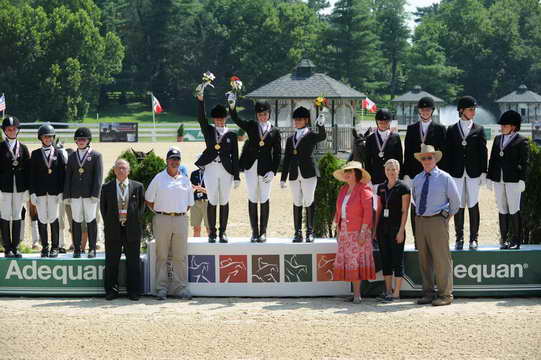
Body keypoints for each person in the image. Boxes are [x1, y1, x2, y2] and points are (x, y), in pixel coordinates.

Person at [412, 144, 460, 306]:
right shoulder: (417, 179)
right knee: (424, 260)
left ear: (435, 159)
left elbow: (456, 202)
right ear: (421, 161)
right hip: (420, 221)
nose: (426, 160)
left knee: (441, 259)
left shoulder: (445, 178)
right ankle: (428, 293)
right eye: (424, 158)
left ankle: (445, 295)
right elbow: (415, 200)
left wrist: (445, 218)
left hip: (437, 221)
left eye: (429, 157)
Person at [228, 98, 281, 243]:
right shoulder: (251, 126)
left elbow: (277, 153)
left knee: (264, 197)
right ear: (256, 115)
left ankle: (263, 232)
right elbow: (236, 119)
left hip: (266, 169)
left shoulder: (275, 131)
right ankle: (254, 232)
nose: (262, 117)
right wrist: (232, 106)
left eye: (264, 114)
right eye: (259, 115)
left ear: (269, 114)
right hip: (251, 166)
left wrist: (273, 171)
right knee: (252, 196)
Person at [145, 148, 194, 301]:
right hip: (162, 219)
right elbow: (149, 200)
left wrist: (177, 212)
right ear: (167, 160)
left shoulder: (185, 180)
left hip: (180, 219)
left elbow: (189, 203)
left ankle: (181, 288)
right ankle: (161, 289)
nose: (175, 162)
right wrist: (162, 212)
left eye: (177, 159)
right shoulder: (159, 178)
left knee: (180, 256)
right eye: (172, 159)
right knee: (162, 255)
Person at [195, 88, 240, 243]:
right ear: (214, 119)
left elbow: (235, 155)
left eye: (222, 119)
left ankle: (223, 232)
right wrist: (200, 100)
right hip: (211, 168)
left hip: (226, 170)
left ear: (225, 119)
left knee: (224, 200)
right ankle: (212, 233)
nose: (220, 121)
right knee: (213, 200)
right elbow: (201, 118)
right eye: (217, 119)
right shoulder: (209, 130)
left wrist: (236, 176)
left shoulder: (232, 135)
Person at [402, 97, 447, 247]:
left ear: (432, 111)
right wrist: (406, 173)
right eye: (422, 109)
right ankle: (416, 238)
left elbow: (443, 152)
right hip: (415, 172)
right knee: (415, 206)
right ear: (419, 111)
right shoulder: (412, 128)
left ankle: (432, 238)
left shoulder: (440, 129)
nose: (425, 112)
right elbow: (407, 152)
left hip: (433, 172)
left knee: (432, 203)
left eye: (428, 110)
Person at [445, 96, 487, 250]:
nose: (473, 111)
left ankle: (474, 238)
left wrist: (484, 171)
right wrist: (447, 173)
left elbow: (483, 151)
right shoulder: (451, 129)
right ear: (461, 110)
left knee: (473, 203)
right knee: (459, 204)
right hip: (456, 172)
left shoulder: (479, 129)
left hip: (474, 172)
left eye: (474, 109)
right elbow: (448, 153)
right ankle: (459, 238)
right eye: (471, 109)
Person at [100, 159, 145, 301]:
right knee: (112, 261)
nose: (121, 170)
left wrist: (134, 221)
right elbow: (103, 209)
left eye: (124, 168)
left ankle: (134, 291)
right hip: (113, 229)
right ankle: (111, 290)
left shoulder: (138, 187)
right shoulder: (106, 187)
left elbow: (141, 208)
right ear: (114, 170)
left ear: (129, 171)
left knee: (133, 262)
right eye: (118, 168)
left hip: (132, 230)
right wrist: (111, 223)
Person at [280, 106, 326, 243]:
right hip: (294, 174)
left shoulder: (311, 135)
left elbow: (322, 136)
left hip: (309, 173)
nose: (296, 122)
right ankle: (297, 232)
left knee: (309, 200)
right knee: (296, 201)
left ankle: (310, 232)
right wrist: (283, 178)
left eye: (299, 119)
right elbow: (287, 158)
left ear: (306, 120)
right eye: (295, 119)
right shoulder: (290, 139)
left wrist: (321, 125)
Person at [332, 161, 376, 304]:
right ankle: (354, 293)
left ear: (356, 174)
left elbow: (368, 213)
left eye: (350, 172)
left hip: (358, 231)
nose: (347, 174)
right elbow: (339, 210)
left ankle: (357, 294)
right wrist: (338, 228)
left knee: (355, 262)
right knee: (349, 262)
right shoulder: (343, 189)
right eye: (346, 172)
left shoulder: (364, 190)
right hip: (344, 230)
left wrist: (363, 232)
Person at [487, 110, 529, 250]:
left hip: (514, 180)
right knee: (502, 208)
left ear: (513, 126)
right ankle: (504, 239)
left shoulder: (521, 140)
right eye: (502, 125)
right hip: (499, 179)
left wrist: (522, 179)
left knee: (514, 209)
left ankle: (516, 239)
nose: (502, 127)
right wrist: (489, 177)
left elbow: (525, 162)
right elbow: (493, 159)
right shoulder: (498, 139)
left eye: (505, 125)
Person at [373, 159, 410, 302]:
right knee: (385, 260)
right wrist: (375, 229)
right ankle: (388, 291)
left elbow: (405, 211)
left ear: (398, 171)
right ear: (385, 171)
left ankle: (396, 293)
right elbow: (379, 210)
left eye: (393, 169)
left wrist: (401, 230)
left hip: (396, 228)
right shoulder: (381, 188)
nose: (391, 172)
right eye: (388, 169)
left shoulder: (404, 188)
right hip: (383, 229)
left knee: (397, 261)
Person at [63, 127, 103, 258]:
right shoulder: (72, 156)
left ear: (88, 140)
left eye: (83, 139)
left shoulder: (96, 155)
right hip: (75, 194)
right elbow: (68, 176)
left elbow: (98, 176)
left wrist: (95, 194)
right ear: (76, 141)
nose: (81, 142)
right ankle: (77, 248)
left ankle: (92, 248)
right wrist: (67, 195)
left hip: (89, 195)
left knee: (91, 220)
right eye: (79, 139)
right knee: (76, 220)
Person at [29, 124, 66, 258]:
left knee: (54, 218)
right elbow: (31, 175)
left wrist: (62, 192)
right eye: (45, 137)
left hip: (54, 193)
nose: (48, 139)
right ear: (41, 138)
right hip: (39, 193)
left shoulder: (58, 154)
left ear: (53, 138)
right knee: (42, 219)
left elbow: (63, 174)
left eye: (50, 137)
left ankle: (55, 247)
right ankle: (45, 247)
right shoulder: (35, 154)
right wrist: (32, 192)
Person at [0, 115, 30, 258]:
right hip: (4, 188)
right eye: (9, 129)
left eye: (14, 129)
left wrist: (27, 189)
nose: (11, 131)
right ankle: (7, 248)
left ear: (18, 130)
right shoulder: (0, 147)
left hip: (19, 188)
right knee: (5, 216)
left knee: (17, 216)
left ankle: (16, 246)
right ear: (5, 131)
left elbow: (27, 170)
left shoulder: (23, 148)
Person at [365, 109, 403, 186]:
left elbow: (399, 158)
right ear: (377, 122)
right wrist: (369, 177)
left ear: (389, 123)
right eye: (380, 123)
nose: (383, 125)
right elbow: (367, 160)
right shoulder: (370, 139)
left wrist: (399, 175)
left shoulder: (395, 137)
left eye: (386, 123)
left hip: (392, 176)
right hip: (376, 177)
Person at [190, 164, 208, 237]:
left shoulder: (211, 174)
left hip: (207, 203)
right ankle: (196, 248)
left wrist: (203, 190)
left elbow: (214, 191)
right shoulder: (194, 174)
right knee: (196, 228)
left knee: (209, 228)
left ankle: (211, 247)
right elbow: (190, 188)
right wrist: (192, 188)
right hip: (195, 203)